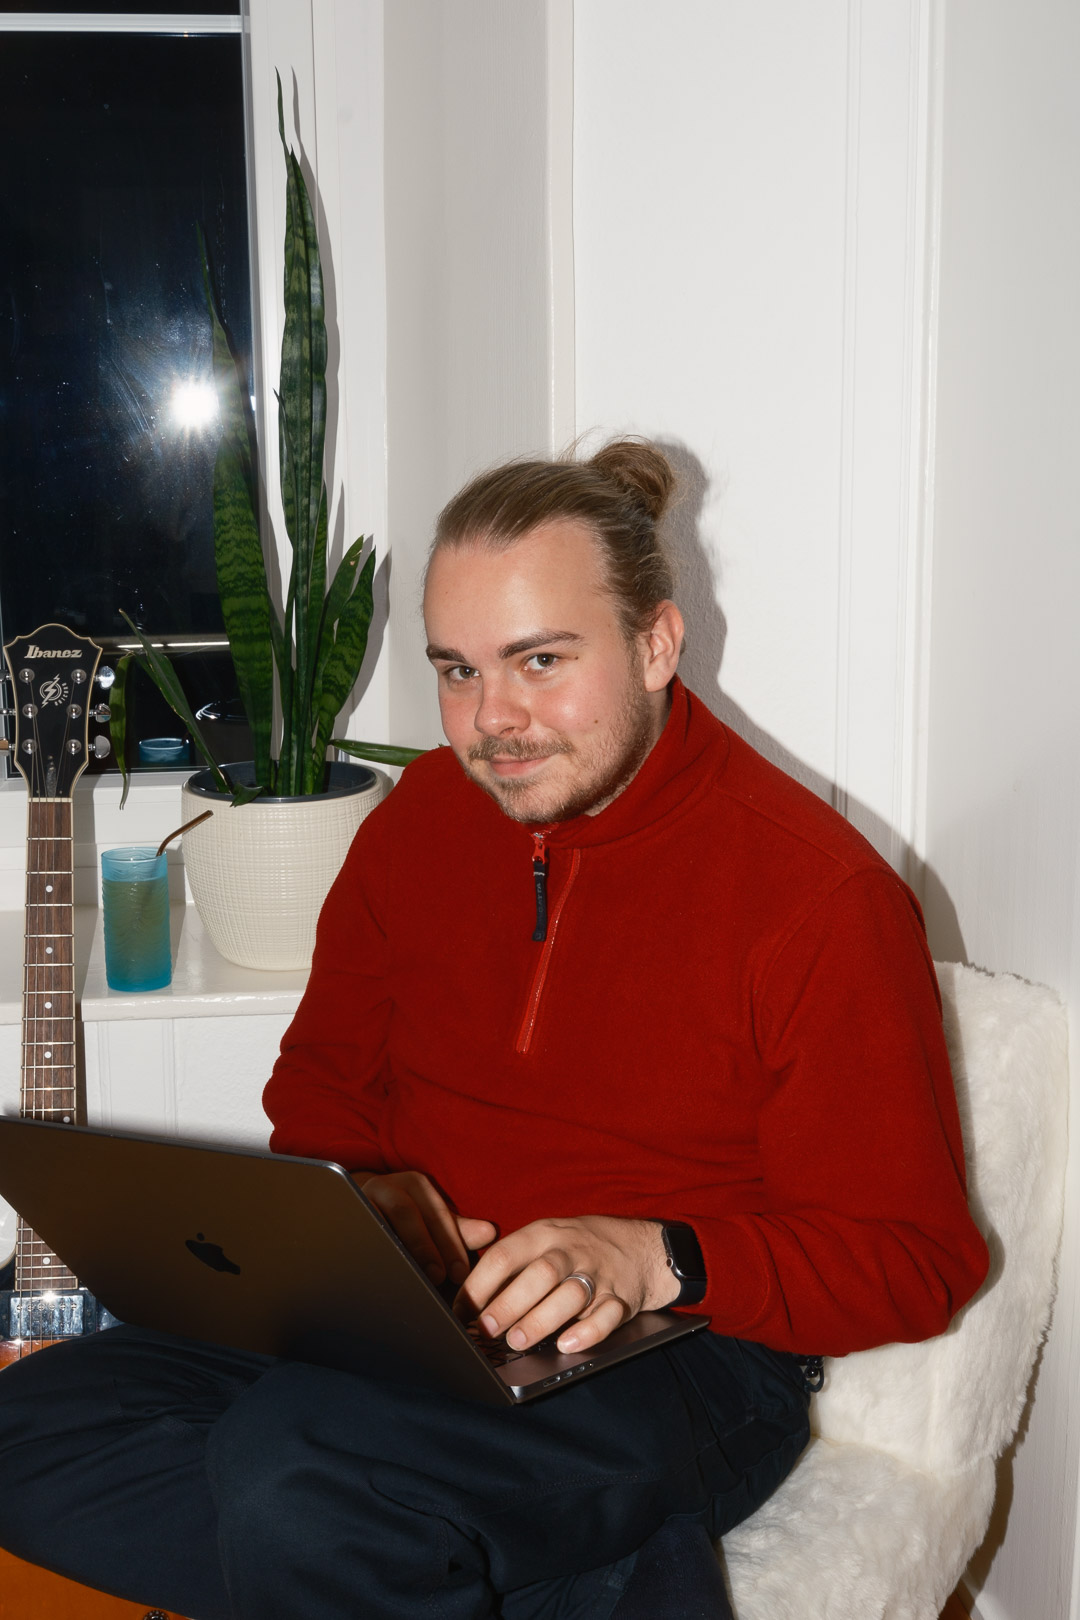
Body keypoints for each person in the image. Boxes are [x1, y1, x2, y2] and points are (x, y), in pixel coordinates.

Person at [0, 439, 988, 1619]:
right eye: (457, 671)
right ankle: (575, 1573)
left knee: (293, 1471)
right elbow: (321, 1085)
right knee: (33, 1425)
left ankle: (424, 1544)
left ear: (657, 645)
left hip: (682, 1358)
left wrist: (648, 1255)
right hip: (411, 1313)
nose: (493, 721)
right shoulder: (420, 818)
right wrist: (375, 1223)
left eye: (541, 662)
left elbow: (915, 1263)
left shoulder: (820, 899)